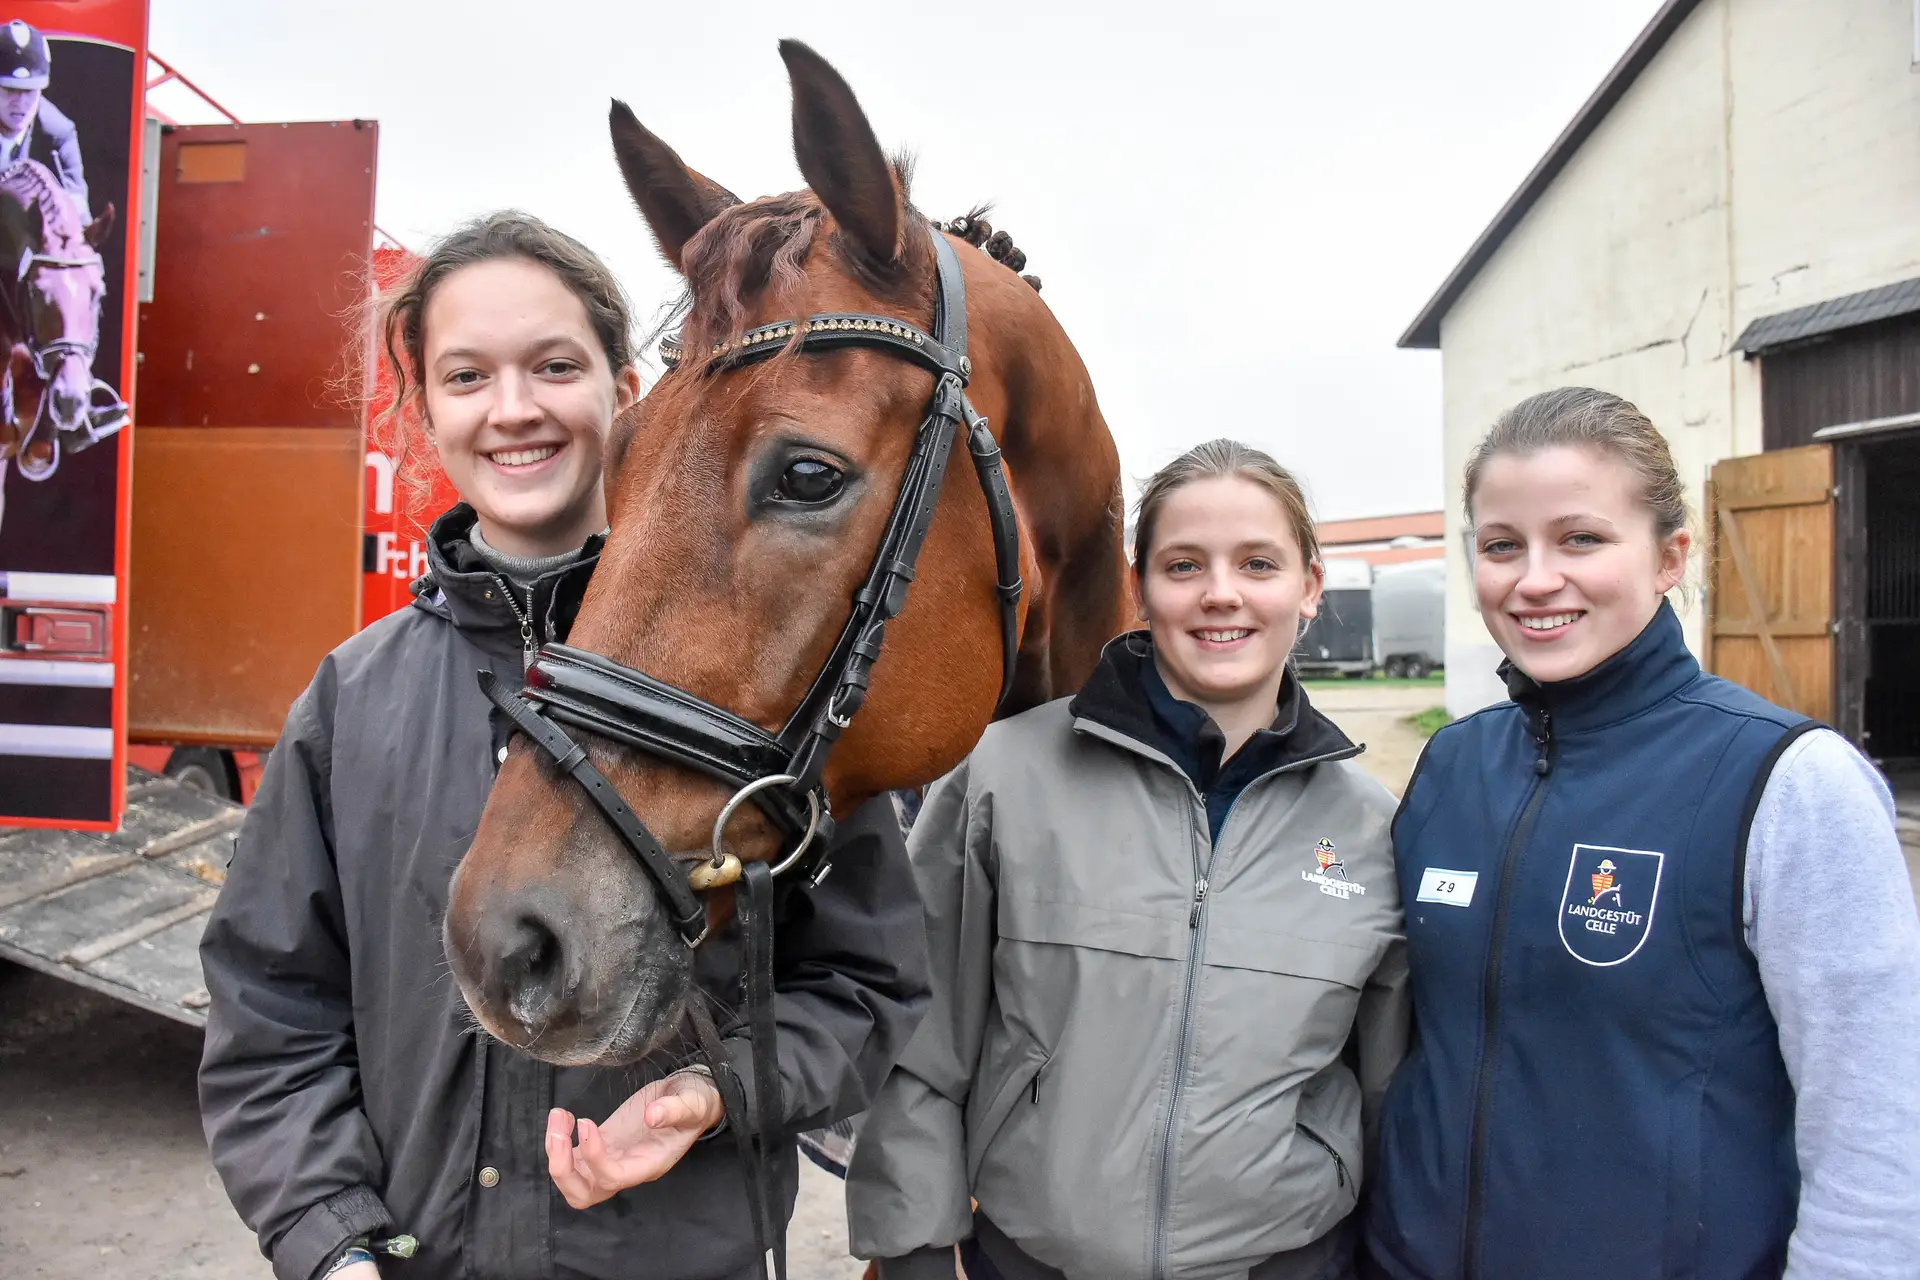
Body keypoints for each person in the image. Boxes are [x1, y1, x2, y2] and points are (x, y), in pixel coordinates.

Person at [198, 211, 929, 1280]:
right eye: (466, 376)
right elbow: (271, 1011)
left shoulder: (761, 675)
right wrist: (333, 1241)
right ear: (424, 411)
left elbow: (863, 982)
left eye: (553, 365)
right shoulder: (353, 699)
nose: (513, 409)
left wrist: (716, 1092)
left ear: (624, 392)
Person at [1362, 388, 1920, 1279]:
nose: (1534, 578)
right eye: (1502, 545)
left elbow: (1876, 1126)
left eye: (1581, 539)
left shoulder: (1791, 782)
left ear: (1669, 557)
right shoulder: (1452, 765)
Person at [849, 439, 1410, 1280]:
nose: (1221, 593)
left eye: (1258, 563)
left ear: (1309, 587)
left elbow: (1385, 1084)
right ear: (1140, 587)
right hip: (1030, 1263)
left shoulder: (1369, 826)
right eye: (1184, 565)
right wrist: (916, 1252)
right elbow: (919, 1038)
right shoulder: (1005, 775)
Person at [0, 20, 88, 216]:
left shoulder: (58, 134)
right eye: (10, 89)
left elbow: (78, 212)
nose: (20, 102)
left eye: (29, 91)